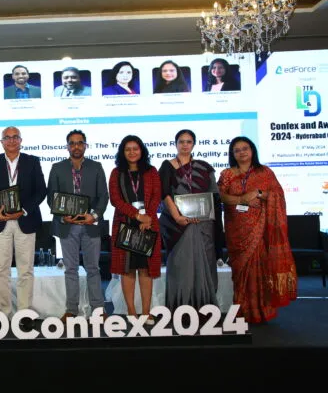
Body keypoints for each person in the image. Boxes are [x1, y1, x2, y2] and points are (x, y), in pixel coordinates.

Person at [218, 136, 297, 323]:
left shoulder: (265, 172)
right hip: (236, 229)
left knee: (260, 269)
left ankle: (261, 311)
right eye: (237, 150)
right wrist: (241, 199)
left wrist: (258, 193)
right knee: (240, 271)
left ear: (252, 150)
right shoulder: (227, 174)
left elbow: (277, 195)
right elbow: (220, 196)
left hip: (260, 229)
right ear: (232, 154)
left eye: (245, 148)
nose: (241, 152)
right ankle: (242, 310)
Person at [0, 126, 47, 329]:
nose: (11, 141)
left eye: (15, 137)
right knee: (1, 269)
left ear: (21, 140)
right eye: (7, 138)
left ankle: (25, 313)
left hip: (25, 220)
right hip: (0, 222)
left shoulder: (32, 161)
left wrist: (24, 210)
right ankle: (3, 312)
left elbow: (41, 191)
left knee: (26, 269)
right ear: (2, 142)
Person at [159, 129, 224, 313]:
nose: (185, 145)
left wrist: (209, 217)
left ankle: (205, 308)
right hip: (177, 225)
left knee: (206, 263)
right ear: (176, 144)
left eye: (188, 141)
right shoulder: (167, 166)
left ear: (193, 144)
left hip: (204, 225)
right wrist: (177, 217)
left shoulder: (205, 167)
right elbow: (164, 193)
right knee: (181, 264)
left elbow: (214, 196)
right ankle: (180, 307)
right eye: (181, 141)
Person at [47, 130, 109, 321]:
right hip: (67, 225)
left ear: (85, 145)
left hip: (91, 224)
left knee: (93, 269)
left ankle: (98, 309)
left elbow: (103, 196)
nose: (76, 146)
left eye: (80, 143)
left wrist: (94, 215)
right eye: (72, 143)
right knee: (71, 269)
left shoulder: (96, 167)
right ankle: (71, 310)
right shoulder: (57, 168)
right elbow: (51, 197)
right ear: (67, 146)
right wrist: (63, 216)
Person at [109, 135, 161, 325]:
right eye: (127, 149)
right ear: (122, 152)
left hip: (148, 225)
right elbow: (115, 199)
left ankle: (146, 312)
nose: (132, 152)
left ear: (141, 151)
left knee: (146, 270)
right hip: (125, 225)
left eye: (135, 148)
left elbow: (156, 196)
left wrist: (148, 218)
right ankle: (131, 312)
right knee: (127, 269)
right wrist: (138, 216)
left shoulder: (151, 171)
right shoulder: (117, 173)